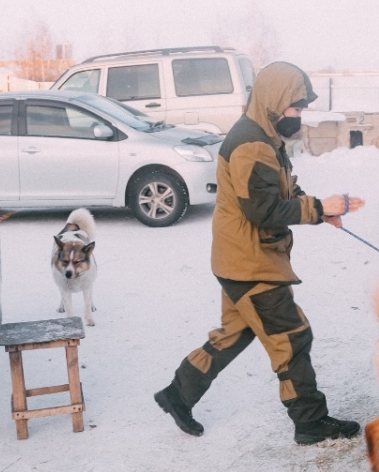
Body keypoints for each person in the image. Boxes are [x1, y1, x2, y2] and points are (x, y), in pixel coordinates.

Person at [154, 61, 367, 445]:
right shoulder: (252, 145)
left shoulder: (264, 136)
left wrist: (323, 212)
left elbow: (277, 194)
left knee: (234, 333)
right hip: (250, 262)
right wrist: (319, 208)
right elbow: (263, 211)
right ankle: (310, 423)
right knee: (293, 338)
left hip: (238, 257)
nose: (299, 117)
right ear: (274, 101)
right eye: (296, 108)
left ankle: (177, 394)